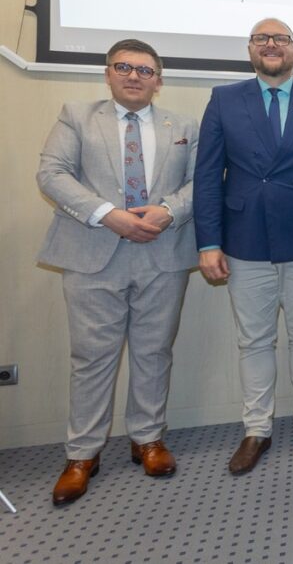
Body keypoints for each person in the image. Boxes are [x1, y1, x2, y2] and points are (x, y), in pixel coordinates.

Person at [37, 39, 197, 505]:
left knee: (154, 351)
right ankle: (82, 453)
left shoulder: (182, 125)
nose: (134, 76)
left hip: (162, 253)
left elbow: (202, 181)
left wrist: (168, 210)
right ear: (108, 73)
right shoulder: (77, 115)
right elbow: (52, 173)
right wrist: (108, 213)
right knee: (91, 357)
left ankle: (147, 438)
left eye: (145, 70)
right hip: (92, 252)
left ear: (158, 80)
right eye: (124, 67)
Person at [193, 18, 293, 474]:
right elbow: (207, 176)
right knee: (254, 340)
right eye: (262, 38)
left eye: (280, 39)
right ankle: (256, 428)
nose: (271, 45)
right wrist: (208, 241)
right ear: (250, 50)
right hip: (245, 240)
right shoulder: (224, 99)